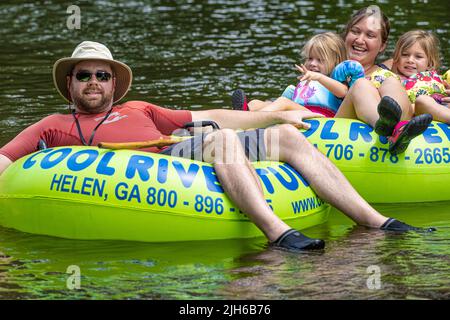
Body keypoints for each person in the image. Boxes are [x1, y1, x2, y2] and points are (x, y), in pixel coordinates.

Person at [0, 41, 435, 252]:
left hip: (172, 151)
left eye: (101, 75)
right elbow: (5, 157)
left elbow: (212, 115)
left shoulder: (141, 108)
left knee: (282, 136)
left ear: (114, 82)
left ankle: (376, 221)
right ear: (69, 84)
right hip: (134, 169)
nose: (93, 83)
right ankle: (278, 233)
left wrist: (278, 116)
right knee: (223, 141)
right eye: (83, 76)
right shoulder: (54, 125)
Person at [333, 5, 433, 155]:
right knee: (361, 85)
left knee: (392, 82)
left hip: (400, 119)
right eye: (355, 31)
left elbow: (424, 67)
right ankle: (388, 130)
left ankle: (398, 130)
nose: (360, 40)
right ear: (345, 35)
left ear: (382, 46)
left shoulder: (394, 67)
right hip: (341, 126)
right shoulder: (325, 66)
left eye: (370, 35)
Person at [235, 32, 365, 118]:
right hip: (299, 112)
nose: (313, 64)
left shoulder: (334, 82)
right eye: (310, 58)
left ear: (336, 61)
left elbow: (343, 92)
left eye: (320, 60)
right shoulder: (305, 83)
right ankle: (244, 113)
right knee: (257, 102)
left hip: (320, 119)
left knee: (283, 102)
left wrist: (319, 77)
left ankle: (252, 121)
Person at [390, 30, 450, 125]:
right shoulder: (392, 79)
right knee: (422, 101)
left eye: (418, 57)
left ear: (429, 62)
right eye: (405, 55)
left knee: (424, 100)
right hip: (414, 111)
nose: (410, 60)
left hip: (441, 107)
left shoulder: (438, 78)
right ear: (397, 57)